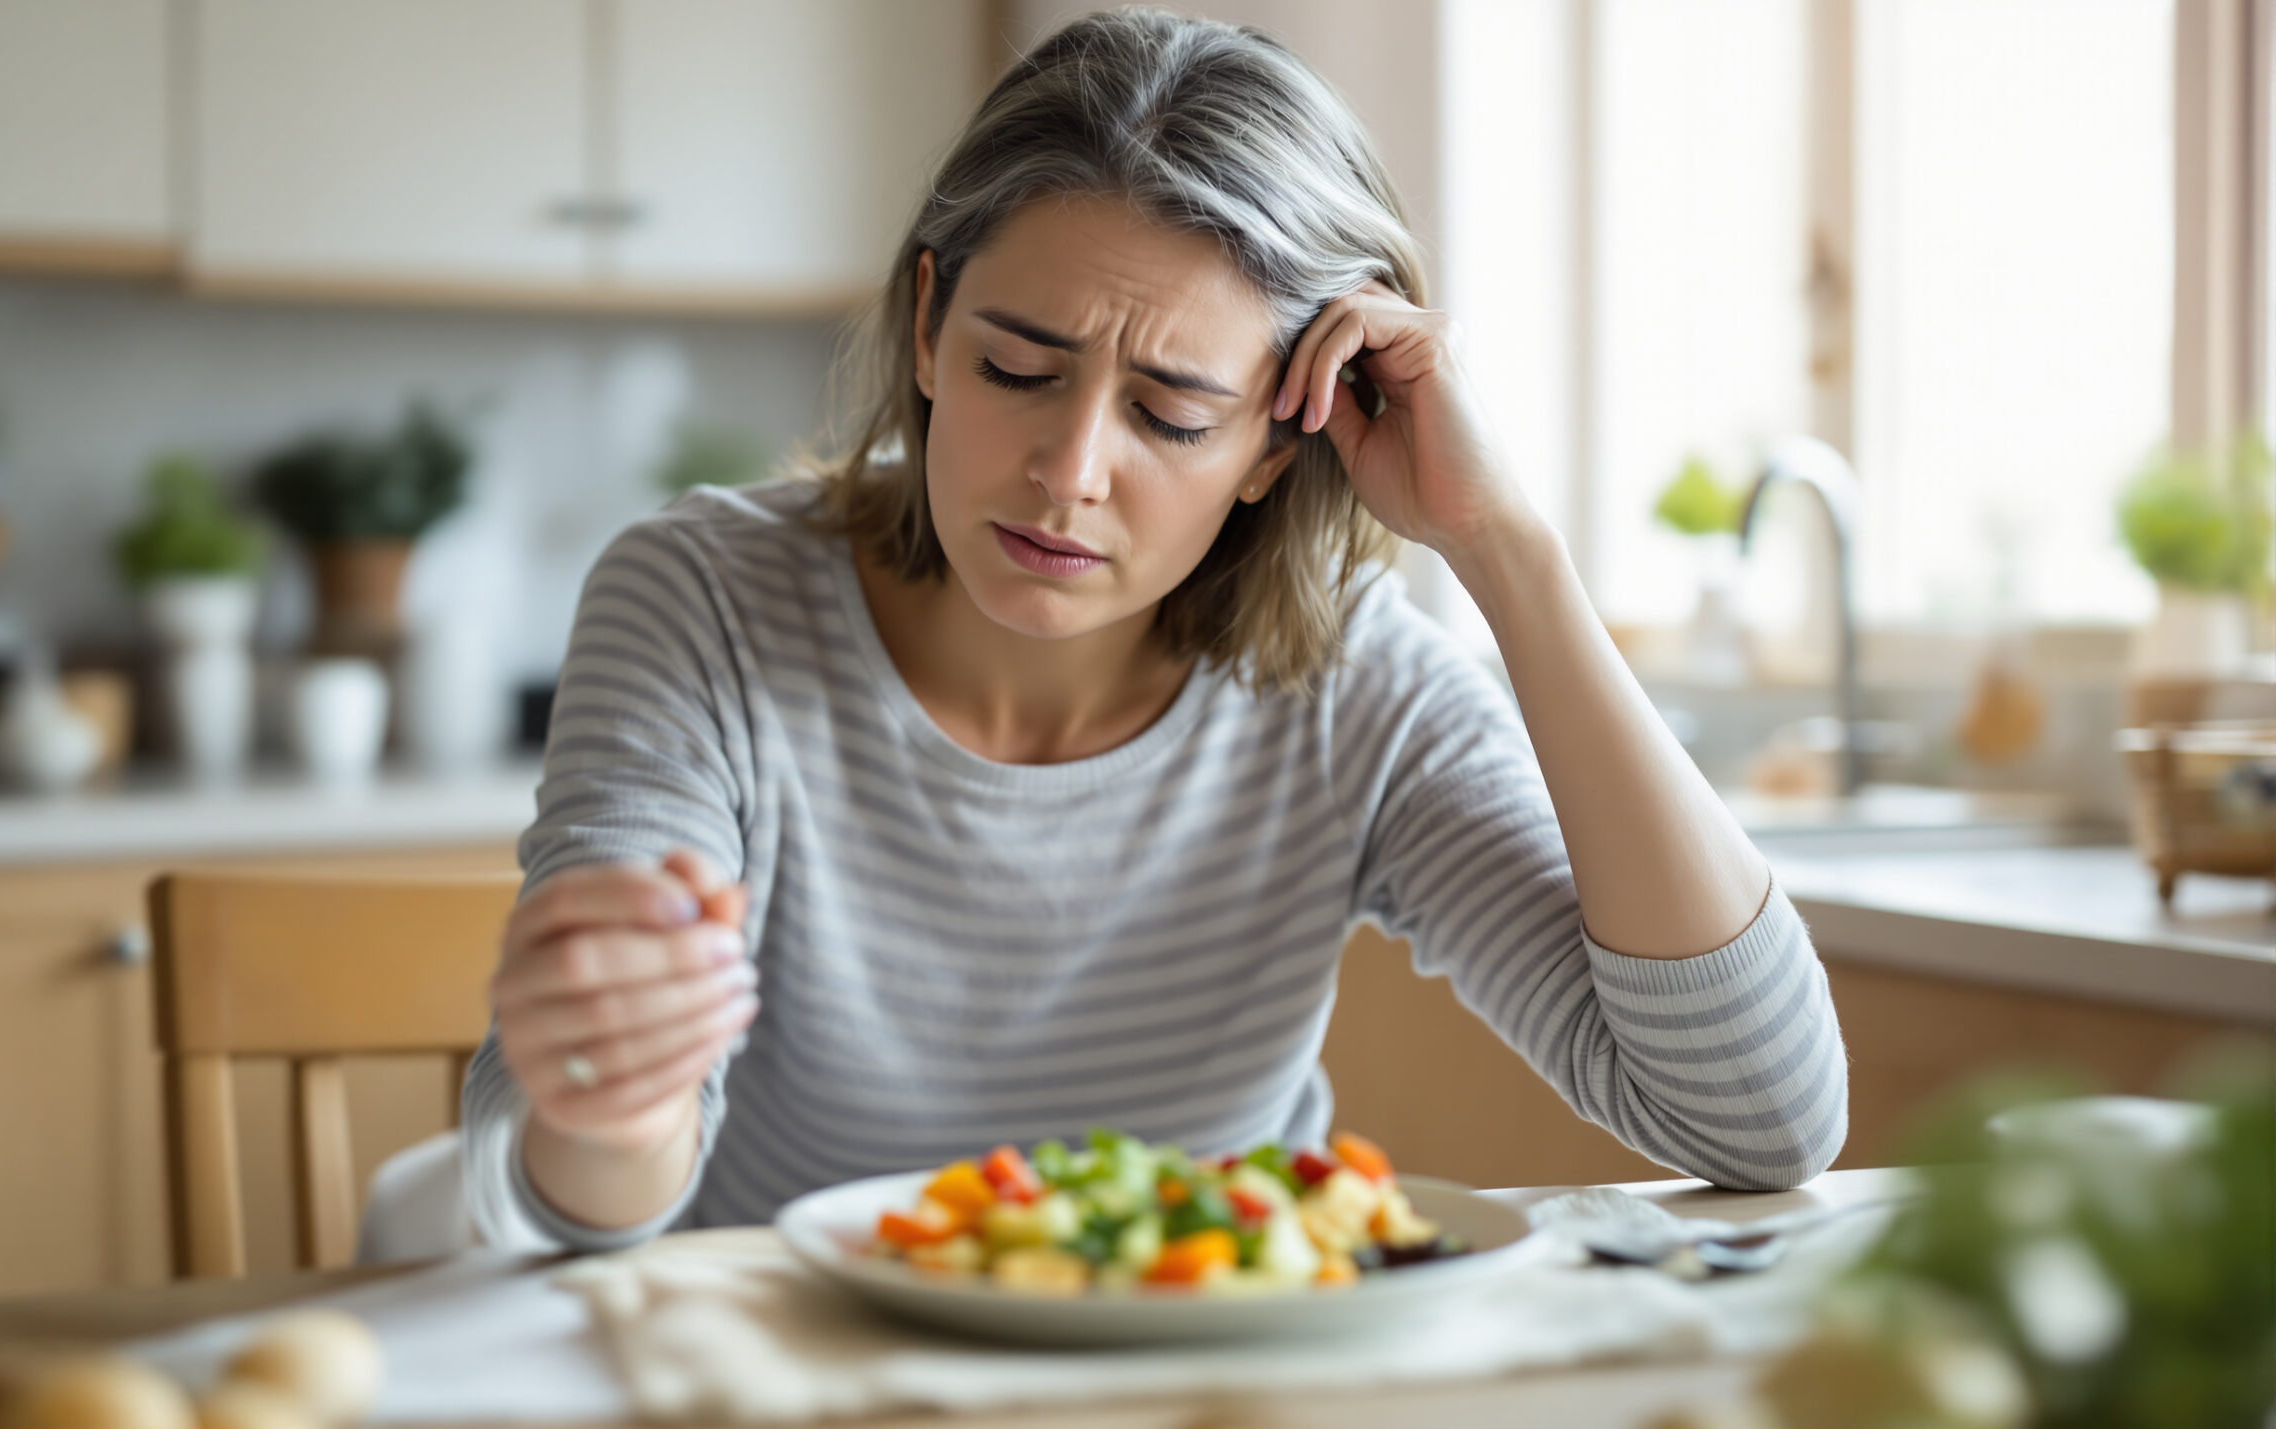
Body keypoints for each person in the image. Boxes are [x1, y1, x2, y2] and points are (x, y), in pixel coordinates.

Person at [461, 7, 1848, 1252]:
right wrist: (609, 1090)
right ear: (933, 323)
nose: (1070, 469)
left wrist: (1510, 552)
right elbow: (573, 1197)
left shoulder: (1354, 683)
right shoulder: (703, 599)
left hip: (1210, 1382)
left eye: (1173, 414)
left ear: (1274, 441)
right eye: (1018, 367)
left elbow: (1761, 1121)